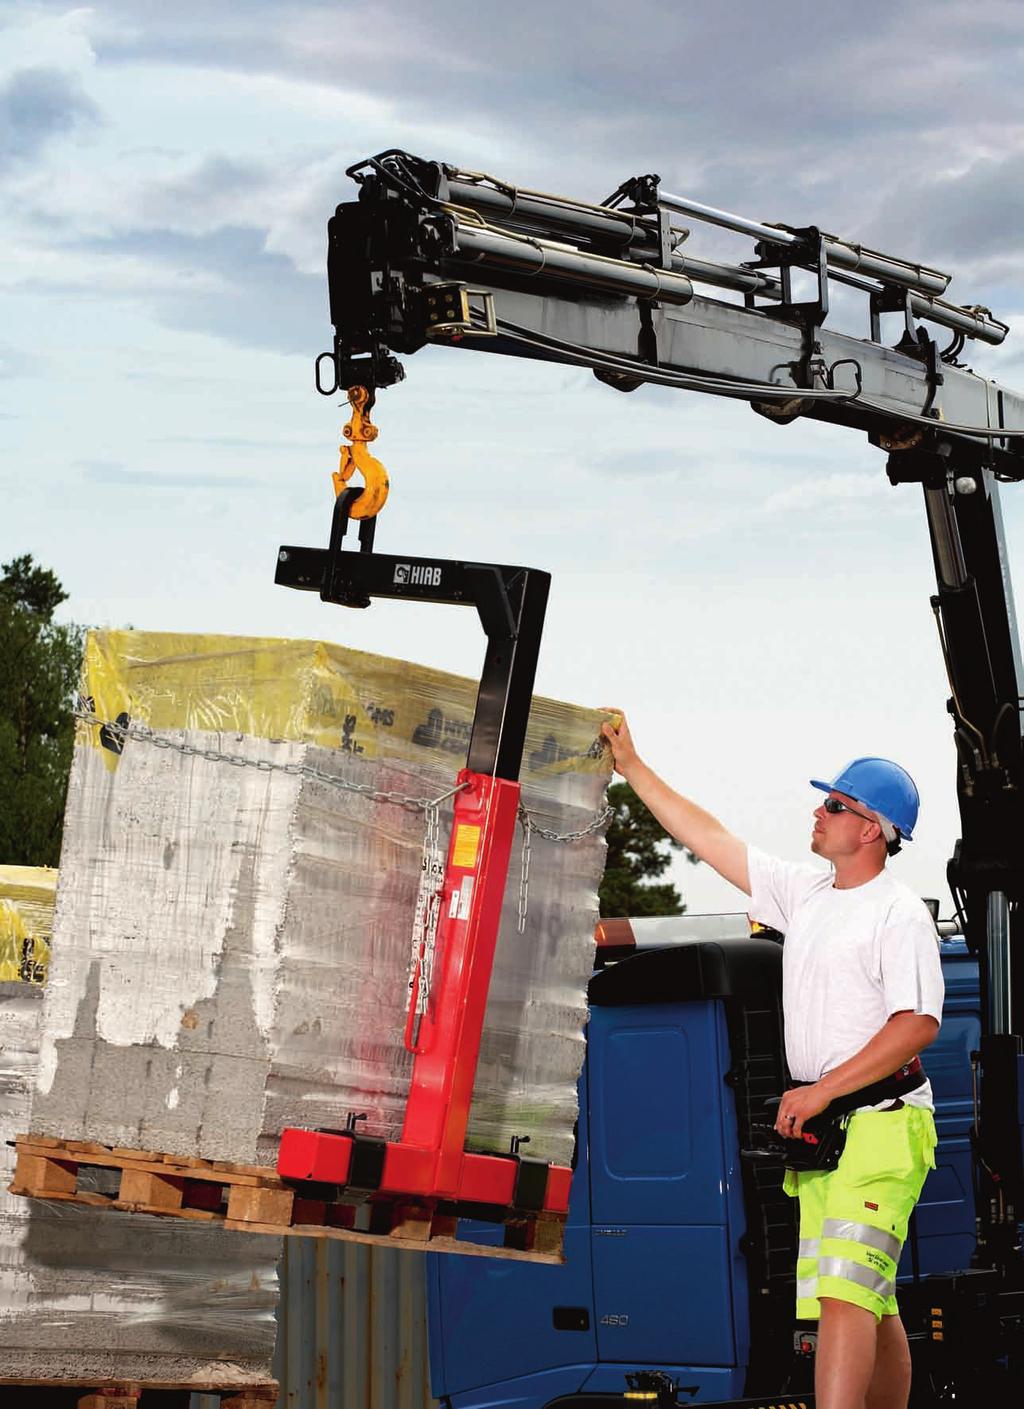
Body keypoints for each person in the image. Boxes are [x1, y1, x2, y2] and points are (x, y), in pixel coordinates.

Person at [601, 713, 944, 1409]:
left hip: (880, 1126)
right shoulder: (806, 894)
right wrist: (632, 767)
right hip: (830, 1134)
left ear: (871, 828)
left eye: (835, 804)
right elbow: (711, 838)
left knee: (847, 1297)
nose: (818, 811)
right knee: (867, 1298)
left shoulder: (898, 913)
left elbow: (917, 1024)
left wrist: (820, 1091)